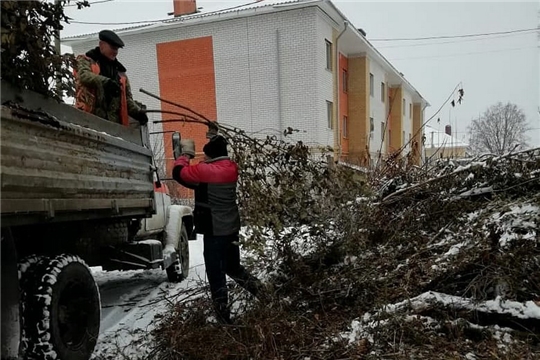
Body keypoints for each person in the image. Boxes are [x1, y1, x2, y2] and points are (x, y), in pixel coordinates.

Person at [172, 135, 262, 324]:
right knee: (233, 267)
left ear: (211, 157)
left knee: (216, 274)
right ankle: (264, 293)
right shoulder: (232, 168)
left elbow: (179, 173)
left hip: (215, 231)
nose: (203, 159)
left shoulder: (206, 171)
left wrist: (185, 154)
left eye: (205, 156)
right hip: (231, 229)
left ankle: (223, 318)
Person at [74, 29, 148, 126]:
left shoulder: (121, 74)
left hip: (113, 126)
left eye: (117, 49)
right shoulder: (85, 60)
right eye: (113, 48)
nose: (115, 52)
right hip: (88, 121)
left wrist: (137, 113)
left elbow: (126, 100)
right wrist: (106, 82)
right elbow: (84, 76)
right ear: (101, 45)